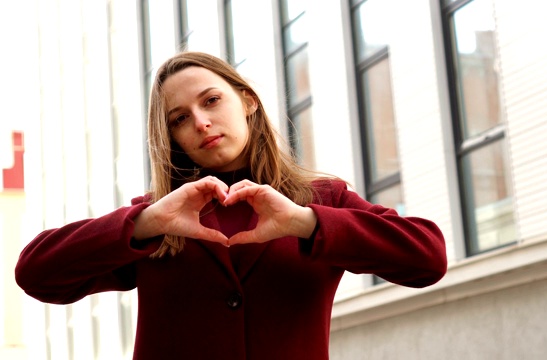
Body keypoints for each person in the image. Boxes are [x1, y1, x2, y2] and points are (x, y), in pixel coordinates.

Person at [15, 51, 447, 360]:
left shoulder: (322, 200)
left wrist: (305, 223)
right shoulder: (157, 218)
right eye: (179, 119)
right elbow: (36, 274)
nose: (200, 121)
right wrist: (145, 221)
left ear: (247, 100)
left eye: (211, 100)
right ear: (173, 139)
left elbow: (428, 257)